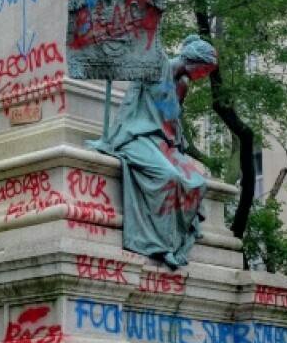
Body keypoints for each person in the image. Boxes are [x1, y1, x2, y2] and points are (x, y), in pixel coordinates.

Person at [90, 35, 218, 268]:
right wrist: (112, 139)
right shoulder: (153, 68)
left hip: (162, 142)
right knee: (167, 177)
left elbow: (172, 120)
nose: (205, 75)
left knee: (197, 181)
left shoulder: (182, 85)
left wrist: (178, 150)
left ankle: (179, 236)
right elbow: (130, 103)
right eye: (205, 69)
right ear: (194, 61)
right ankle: (160, 244)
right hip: (136, 136)